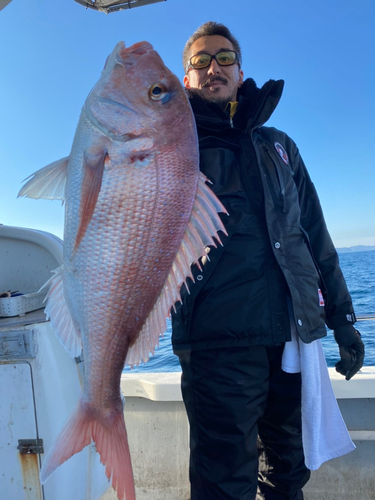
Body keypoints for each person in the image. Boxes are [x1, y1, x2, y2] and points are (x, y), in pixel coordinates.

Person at [171, 21, 365, 500]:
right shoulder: (172, 148)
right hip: (218, 343)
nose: (213, 67)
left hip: (292, 339)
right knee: (224, 484)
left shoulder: (278, 144)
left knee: (288, 473)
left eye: (224, 58)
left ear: (240, 71)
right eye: (201, 60)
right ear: (185, 78)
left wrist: (342, 318)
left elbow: (314, 236)